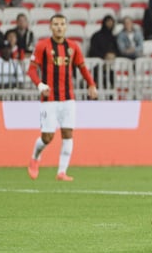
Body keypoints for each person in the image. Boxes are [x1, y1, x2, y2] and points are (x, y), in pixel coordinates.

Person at [26, 14, 98, 182]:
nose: (59, 27)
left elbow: (82, 67)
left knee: (68, 133)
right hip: (49, 99)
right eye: (56, 24)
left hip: (68, 98)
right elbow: (31, 70)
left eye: (62, 24)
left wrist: (91, 84)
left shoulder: (73, 47)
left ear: (66, 27)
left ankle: (62, 172)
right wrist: (40, 85)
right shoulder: (42, 46)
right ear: (50, 27)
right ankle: (35, 157)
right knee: (47, 137)